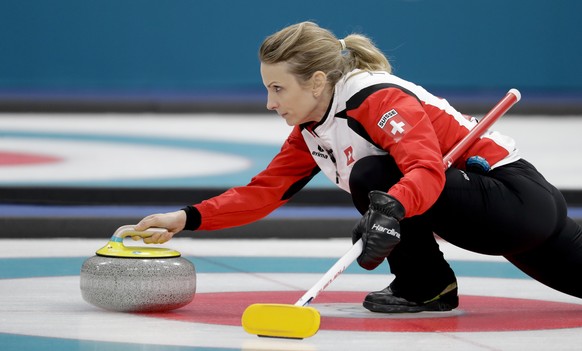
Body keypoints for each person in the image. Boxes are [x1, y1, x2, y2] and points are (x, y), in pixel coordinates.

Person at [135, 21, 582, 313]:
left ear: (315, 82)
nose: (270, 103)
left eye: (277, 89)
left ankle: (421, 287)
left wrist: (389, 211)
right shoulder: (314, 126)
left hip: (517, 201)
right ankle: (431, 287)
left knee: (371, 176)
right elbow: (265, 191)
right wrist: (187, 218)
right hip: (494, 219)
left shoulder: (375, 98)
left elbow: (426, 170)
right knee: (374, 181)